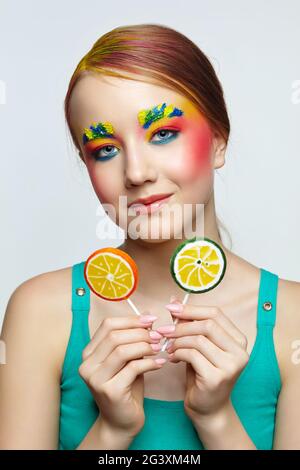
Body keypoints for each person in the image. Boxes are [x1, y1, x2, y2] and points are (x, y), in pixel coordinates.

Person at [1, 23, 300, 451]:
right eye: (105, 148)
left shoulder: (293, 319)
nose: (137, 173)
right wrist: (112, 431)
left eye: (162, 134)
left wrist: (217, 419)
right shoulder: (40, 312)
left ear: (218, 139)